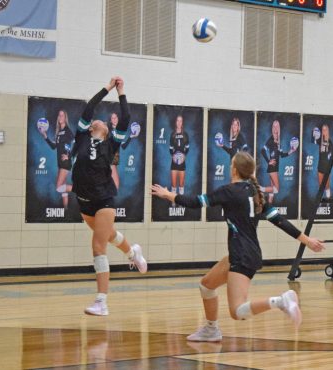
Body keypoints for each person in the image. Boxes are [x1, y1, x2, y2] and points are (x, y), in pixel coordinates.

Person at [151, 151, 324, 342]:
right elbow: (280, 221)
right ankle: (211, 329)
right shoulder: (255, 194)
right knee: (206, 285)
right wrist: (307, 240)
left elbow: (195, 202)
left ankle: (280, 301)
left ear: (234, 169)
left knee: (237, 311)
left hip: (242, 256)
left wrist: (168, 195)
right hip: (245, 253)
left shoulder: (229, 191)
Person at [72, 76, 147, 316]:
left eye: (102, 122)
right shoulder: (81, 137)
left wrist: (121, 91)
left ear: (106, 131)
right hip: (83, 201)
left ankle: (101, 301)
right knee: (110, 235)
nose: (97, 120)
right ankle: (133, 252)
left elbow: (125, 119)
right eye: (95, 121)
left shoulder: (112, 144)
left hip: (104, 199)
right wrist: (106, 88)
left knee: (98, 245)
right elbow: (88, 108)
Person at [39, 110, 74, 210]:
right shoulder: (59, 132)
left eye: (62, 115)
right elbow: (54, 146)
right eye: (59, 115)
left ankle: (80, 189)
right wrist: (45, 136)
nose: (60, 117)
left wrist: (69, 156)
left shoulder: (68, 131)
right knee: (63, 190)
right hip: (60, 163)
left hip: (65, 163)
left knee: (58, 187)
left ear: (65, 118)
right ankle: (66, 210)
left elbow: (74, 144)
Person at [260, 119, 298, 203]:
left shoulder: (278, 141)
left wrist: (291, 151)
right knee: (276, 189)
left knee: (272, 192)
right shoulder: (270, 139)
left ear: (279, 128)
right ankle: (259, 189)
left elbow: (282, 155)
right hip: (272, 167)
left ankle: (268, 208)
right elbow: (262, 150)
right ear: (272, 128)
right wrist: (268, 161)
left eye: (277, 126)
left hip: (275, 168)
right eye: (274, 126)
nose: (275, 128)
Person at [169, 115, 189, 197]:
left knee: (181, 184)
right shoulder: (172, 134)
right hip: (174, 162)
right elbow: (170, 149)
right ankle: (173, 202)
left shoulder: (185, 134)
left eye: (181, 121)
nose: (179, 122)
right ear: (176, 122)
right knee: (173, 185)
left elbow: (187, 148)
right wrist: (173, 155)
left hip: (182, 162)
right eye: (178, 120)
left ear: (182, 123)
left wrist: (184, 155)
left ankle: (181, 203)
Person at [313, 124, 333, 200]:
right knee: (321, 185)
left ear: (327, 131)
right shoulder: (319, 140)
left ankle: (328, 199)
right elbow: (313, 139)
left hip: (326, 168)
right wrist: (315, 131)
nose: (324, 131)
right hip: (320, 167)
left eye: (325, 129)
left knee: (327, 185)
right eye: (323, 129)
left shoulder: (330, 143)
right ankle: (320, 200)